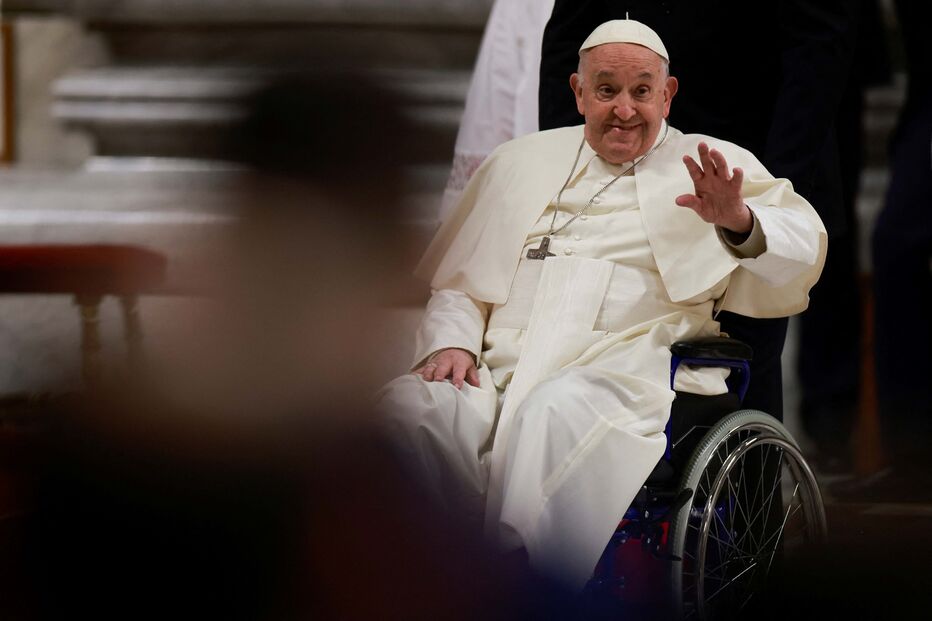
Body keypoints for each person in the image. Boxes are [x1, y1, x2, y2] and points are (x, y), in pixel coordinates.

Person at [378, 20, 826, 590]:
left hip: (627, 369)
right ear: (578, 91)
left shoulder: (713, 164)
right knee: (408, 413)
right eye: (607, 89)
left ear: (668, 94)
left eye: (642, 91)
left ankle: (521, 589)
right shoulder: (519, 161)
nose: (624, 109)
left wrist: (737, 221)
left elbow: (800, 246)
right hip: (498, 367)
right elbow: (460, 283)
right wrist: (452, 341)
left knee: (553, 412)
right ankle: (407, 584)